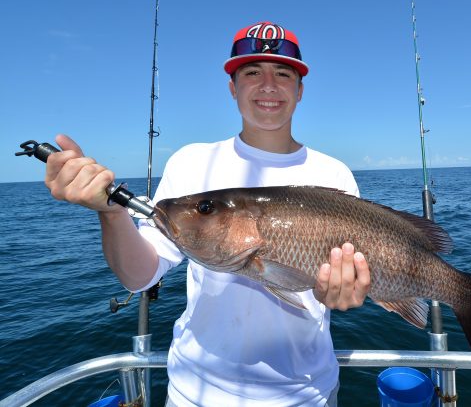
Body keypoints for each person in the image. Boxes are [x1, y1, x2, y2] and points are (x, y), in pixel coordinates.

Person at [44, 21, 371, 406]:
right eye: (252, 72)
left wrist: (346, 292)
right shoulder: (190, 162)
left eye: (283, 73)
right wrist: (112, 214)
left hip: (306, 394)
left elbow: (345, 284)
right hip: (194, 393)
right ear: (232, 88)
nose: (268, 85)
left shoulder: (334, 175)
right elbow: (140, 275)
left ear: (300, 90)